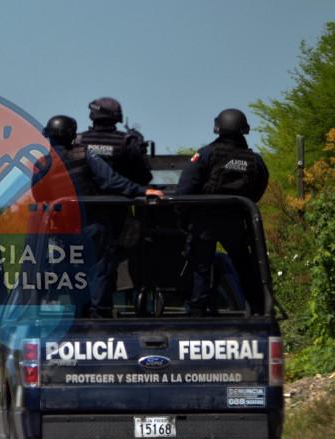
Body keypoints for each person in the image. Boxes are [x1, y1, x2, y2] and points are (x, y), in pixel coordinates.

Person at [34, 115, 164, 318]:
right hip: (92, 222)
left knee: (70, 269)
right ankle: (99, 315)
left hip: (62, 228)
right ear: (72, 134)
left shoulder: (42, 163)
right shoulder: (85, 154)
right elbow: (111, 181)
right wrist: (142, 191)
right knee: (98, 268)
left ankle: (79, 313)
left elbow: (38, 194)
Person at [177, 108, 269, 316]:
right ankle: (257, 309)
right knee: (244, 265)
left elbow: (185, 189)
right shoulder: (255, 160)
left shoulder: (206, 154)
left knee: (200, 266)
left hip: (205, 221)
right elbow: (259, 189)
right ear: (244, 129)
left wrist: (183, 218)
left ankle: (197, 311)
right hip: (236, 221)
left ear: (217, 127)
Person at [76, 97, 153, 185]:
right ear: (117, 117)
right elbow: (144, 178)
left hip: (82, 193)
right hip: (120, 193)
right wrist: (140, 148)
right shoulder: (128, 141)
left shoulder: (77, 140)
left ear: (92, 115)